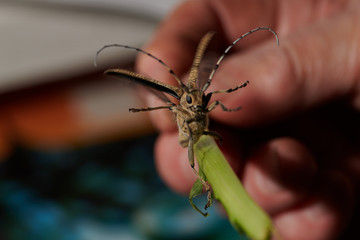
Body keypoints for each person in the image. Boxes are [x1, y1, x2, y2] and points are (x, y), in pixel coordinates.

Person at [136, 0, 360, 239]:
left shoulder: (207, 96)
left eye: (199, 99)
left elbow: (214, 96)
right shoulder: (178, 105)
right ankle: (206, 185)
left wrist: (233, 92)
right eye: (193, 102)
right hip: (190, 138)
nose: (199, 103)